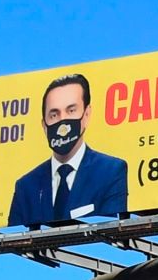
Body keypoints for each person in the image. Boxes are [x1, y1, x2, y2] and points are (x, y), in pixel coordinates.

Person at [9, 73, 129, 227]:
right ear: (44, 125)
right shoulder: (26, 186)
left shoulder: (111, 171)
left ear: (86, 115)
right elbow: (14, 242)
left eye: (71, 111)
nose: (62, 121)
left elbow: (114, 231)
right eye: (54, 114)